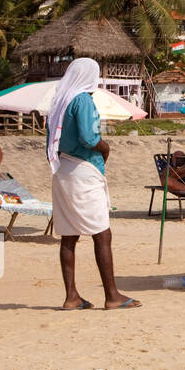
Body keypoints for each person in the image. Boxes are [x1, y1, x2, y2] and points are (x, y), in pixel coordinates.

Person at [47, 58, 141, 311]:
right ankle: (112, 295)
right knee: (102, 233)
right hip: (82, 169)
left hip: (63, 170)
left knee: (69, 236)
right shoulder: (83, 100)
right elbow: (89, 137)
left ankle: (72, 296)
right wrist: (106, 147)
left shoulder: (59, 102)